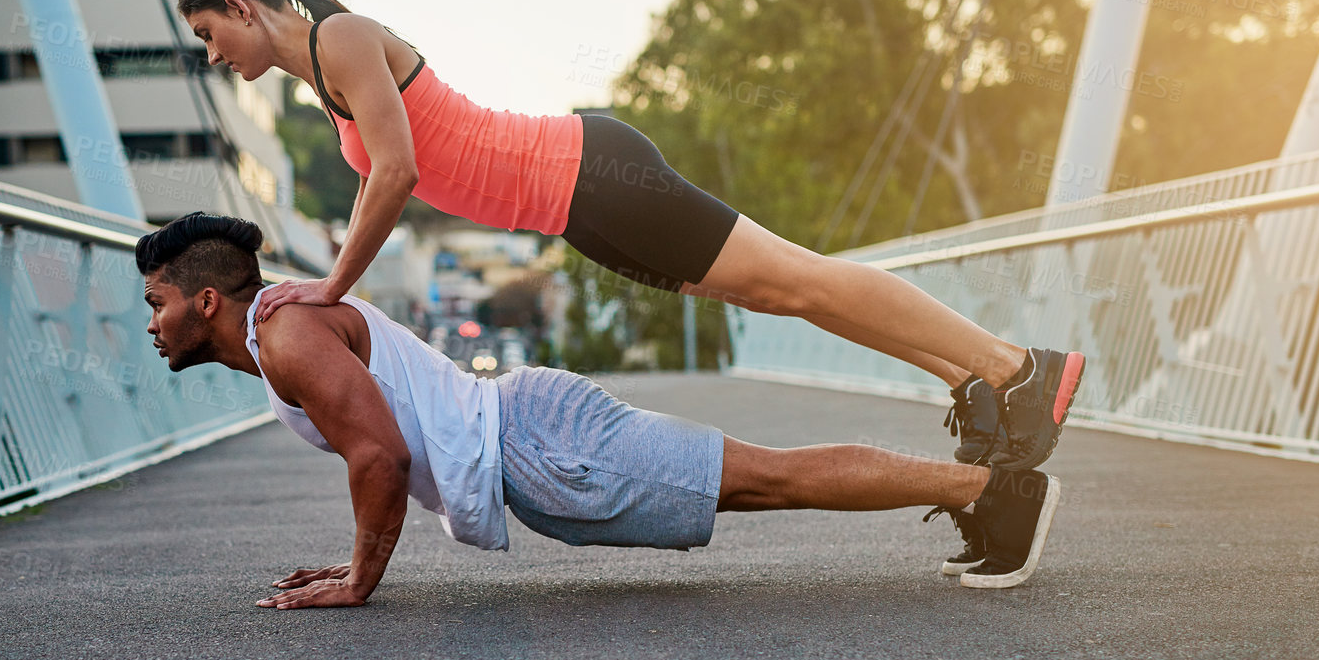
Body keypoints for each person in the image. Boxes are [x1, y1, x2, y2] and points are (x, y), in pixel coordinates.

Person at [173, 0, 1084, 573]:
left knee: (795, 279)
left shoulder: (341, 39)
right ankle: (971, 377)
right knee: (779, 296)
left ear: (243, 7)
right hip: (580, 209)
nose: (215, 56)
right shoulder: (323, 86)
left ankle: (1013, 365)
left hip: (594, 173)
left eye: (210, 34)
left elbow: (400, 169)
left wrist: (331, 284)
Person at [136, 213, 1063, 608]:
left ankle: (996, 490)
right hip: (536, 440)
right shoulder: (279, 331)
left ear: (204, 300)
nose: (152, 322)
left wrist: (359, 580)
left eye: (156, 303)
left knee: (767, 480)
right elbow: (385, 443)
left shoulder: (286, 335)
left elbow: (375, 454)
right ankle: (988, 492)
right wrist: (355, 554)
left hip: (543, 448)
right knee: (757, 485)